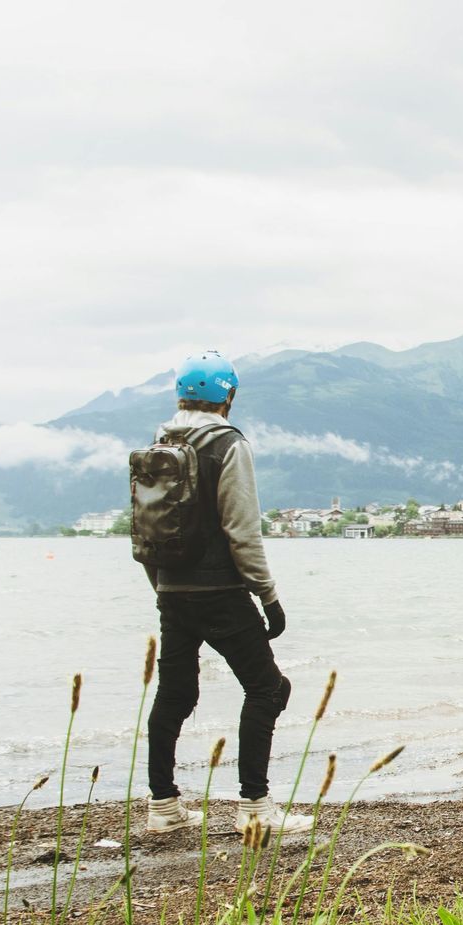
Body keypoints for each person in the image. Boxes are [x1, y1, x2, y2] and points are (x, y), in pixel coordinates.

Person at [141, 352, 311, 836]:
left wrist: (162, 588)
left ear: (180, 394)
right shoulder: (227, 444)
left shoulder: (158, 444)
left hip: (171, 589)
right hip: (220, 591)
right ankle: (255, 807)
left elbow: (146, 527)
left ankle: (164, 807)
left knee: (175, 694)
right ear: (228, 397)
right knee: (269, 689)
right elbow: (242, 530)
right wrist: (268, 595)